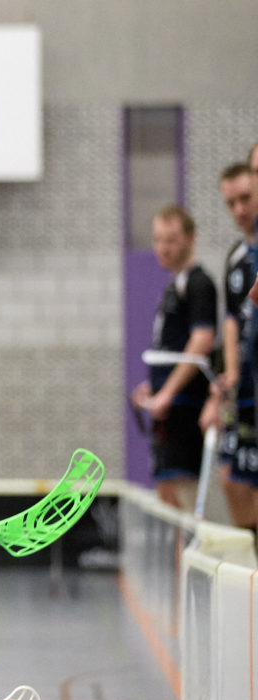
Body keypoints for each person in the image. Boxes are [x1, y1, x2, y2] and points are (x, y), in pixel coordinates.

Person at [132, 204, 217, 509]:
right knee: (167, 497)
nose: (163, 248)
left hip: (185, 411)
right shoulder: (173, 287)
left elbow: (202, 340)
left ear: (190, 239)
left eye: (171, 240)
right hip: (168, 410)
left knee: (184, 500)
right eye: (158, 239)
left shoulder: (198, 284)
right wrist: (153, 388)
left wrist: (167, 393)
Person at [201, 163, 258, 529]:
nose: (239, 209)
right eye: (231, 202)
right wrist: (230, 377)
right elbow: (232, 322)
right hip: (247, 389)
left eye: (246, 199)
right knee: (233, 479)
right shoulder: (236, 259)